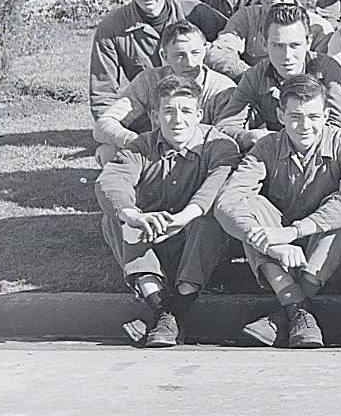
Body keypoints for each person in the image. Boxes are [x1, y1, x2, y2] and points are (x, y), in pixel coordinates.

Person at [216, 74, 341, 349]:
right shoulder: (267, 146)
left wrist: (290, 232)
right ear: (280, 115)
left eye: (313, 116)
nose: (305, 126)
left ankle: (291, 305)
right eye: (296, 116)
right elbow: (227, 203)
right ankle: (298, 311)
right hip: (282, 256)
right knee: (250, 208)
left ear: (325, 115)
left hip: (334, 257)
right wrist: (271, 245)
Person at [93, 75, 240, 347]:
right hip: (152, 241)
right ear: (155, 115)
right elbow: (111, 181)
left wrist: (183, 218)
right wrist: (134, 215)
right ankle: (164, 308)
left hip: (197, 245)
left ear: (198, 114)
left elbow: (215, 187)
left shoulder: (220, 145)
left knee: (211, 219)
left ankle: (167, 311)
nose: (177, 120)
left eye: (185, 111)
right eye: (168, 111)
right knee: (116, 218)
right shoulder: (141, 146)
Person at [90, 0, 225, 117]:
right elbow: (103, 91)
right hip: (149, 115)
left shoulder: (197, 13)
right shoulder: (111, 27)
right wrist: (110, 127)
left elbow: (228, 52)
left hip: (201, 110)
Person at [212, 4, 341, 151]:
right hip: (274, 158)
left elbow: (340, 129)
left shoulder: (328, 70)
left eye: (295, 45)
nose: (287, 56)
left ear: (308, 42)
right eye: (278, 46)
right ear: (264, 44)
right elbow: (224, 126)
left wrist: (281, 141)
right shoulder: (256, 75)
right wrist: (247, 137)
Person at [92, 20, 235, 165]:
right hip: (158, 154)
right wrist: (134, 141)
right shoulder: (149, 80)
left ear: (205, 50)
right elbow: (103, 124)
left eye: (195, 53)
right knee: (107, 153)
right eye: (180, 55)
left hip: (199, 159)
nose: (190, 63)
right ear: (165, 56)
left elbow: (225, 139)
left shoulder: (223, 88)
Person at [205, 0, 333, 79]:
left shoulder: (318, 27)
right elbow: (218, 54)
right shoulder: (247, 17)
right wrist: (255, 79)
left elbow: (324, 70)